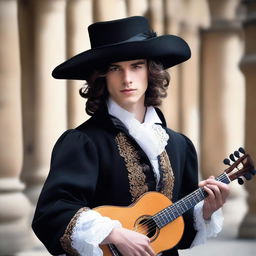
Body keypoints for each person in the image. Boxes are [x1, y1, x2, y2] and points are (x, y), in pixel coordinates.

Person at [32, 16, 230, 256]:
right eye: (115, 68)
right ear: (102, 76)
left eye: (136, 65)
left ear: (151, 70)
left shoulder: (178, 145)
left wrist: (206, 211)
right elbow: (52, 214)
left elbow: (181, 234)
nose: (127, 79)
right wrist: (113, 233)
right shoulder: (83, 142)